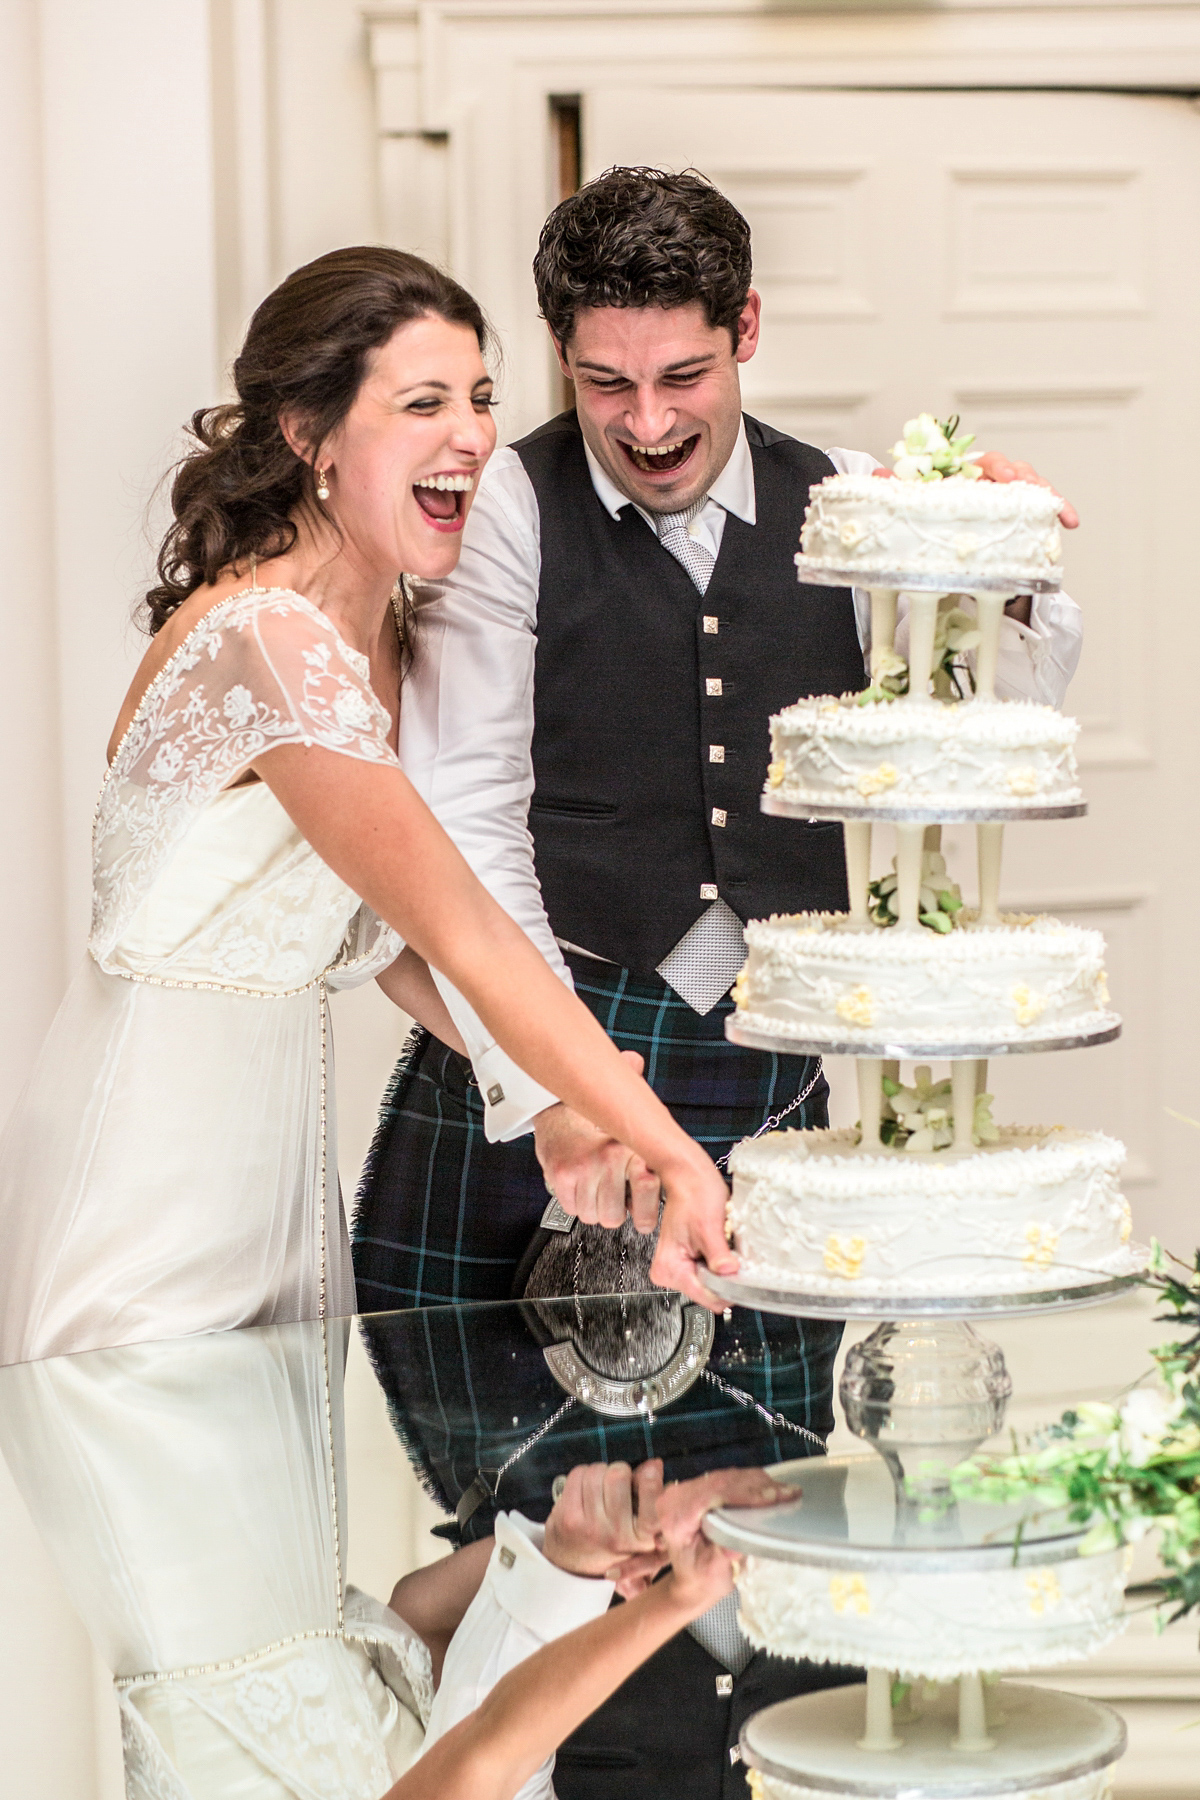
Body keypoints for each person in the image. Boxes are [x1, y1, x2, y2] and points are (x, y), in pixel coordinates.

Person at [353, 166, 1083, 1314]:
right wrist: (562, 1084)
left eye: (683, 376)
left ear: (745, 328)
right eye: (606, 384)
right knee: (495, 1466)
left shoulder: (845, 495)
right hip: (550, 1034)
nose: (647, 424)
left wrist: (988, 563)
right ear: (561, 356)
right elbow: (466, 815)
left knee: (768, 1460)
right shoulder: (504, 505)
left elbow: (980, 727)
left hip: (767, 1051)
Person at [0, 244, 733, 1369]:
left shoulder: (381, 630)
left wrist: (550, 1108)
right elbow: (462, 927)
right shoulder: (267, 642)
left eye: (482, 399)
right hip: (155, 1169)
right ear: (311, 434)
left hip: (278, 1179)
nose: (476, 435)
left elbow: (378, 936)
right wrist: (671, 1150)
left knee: (281, 1537)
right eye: (424, 401)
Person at [0, 1313, 781, 1800]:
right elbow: (449, 1677)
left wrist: (664, 1600)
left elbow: (479, 1761)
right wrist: (578, 1562)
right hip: (283, 1421)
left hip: (144, 1475)